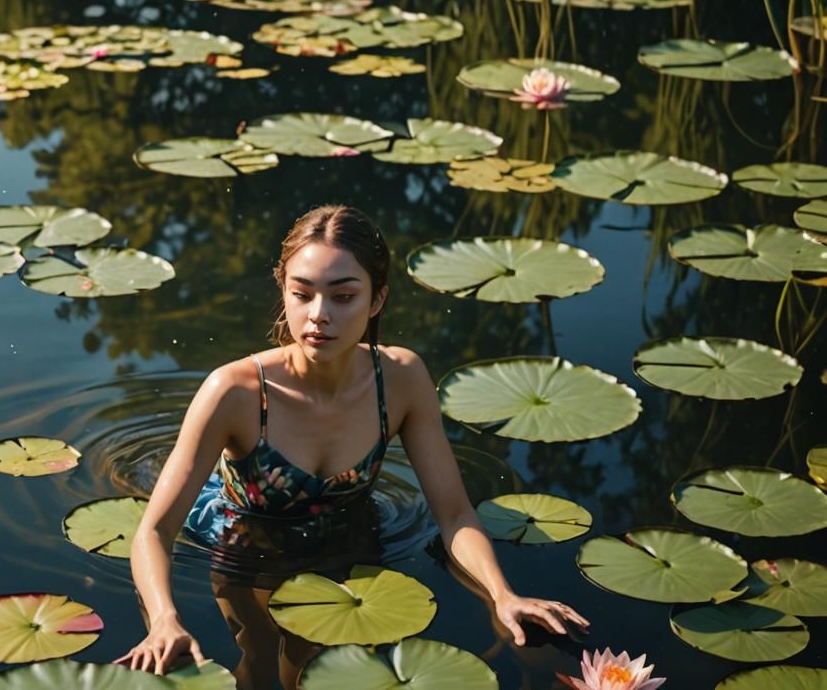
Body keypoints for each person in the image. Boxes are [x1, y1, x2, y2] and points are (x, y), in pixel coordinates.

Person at [116, 205, 589, 688]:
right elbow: (154, 531)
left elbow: (453, 513)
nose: (319, 315)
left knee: (316, 670)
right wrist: (163, 619)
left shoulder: (402, 379)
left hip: (350, 544)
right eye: (302, 294)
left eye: (343, 296)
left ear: (377, 299)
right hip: (246, 550)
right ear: (284, 290)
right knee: (259, 659)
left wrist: (503, 594)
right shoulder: (234, 392)